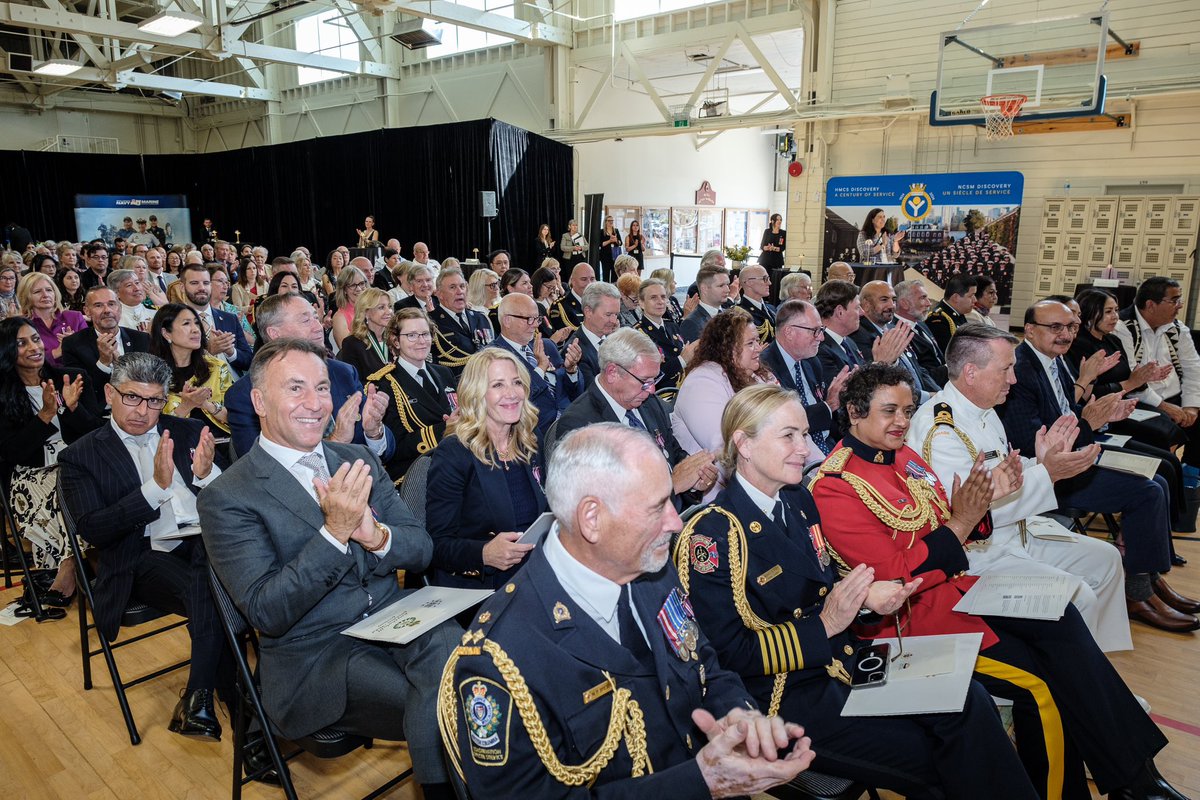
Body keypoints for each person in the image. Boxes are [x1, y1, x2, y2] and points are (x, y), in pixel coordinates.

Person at [811, 363, 1187, 800]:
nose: (902, 421)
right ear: (855, 412)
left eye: (908, 411)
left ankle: (1134, 776)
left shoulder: (904, 457)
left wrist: (986, 502)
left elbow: (950, 519)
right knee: (1039, 686)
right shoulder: (835, 485)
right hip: (904, 627)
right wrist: (963, 519)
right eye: (889, 411)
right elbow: (894, 575)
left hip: (953, 594)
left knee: (1062, 620)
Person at [679, 384, 1040, 798]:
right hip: (784, 695)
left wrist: (866, 600)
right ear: (744, 443)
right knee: (946, 756)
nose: (804, 449)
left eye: (804, 434)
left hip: (846, 659)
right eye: (788, 436)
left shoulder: (796, 501)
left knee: (968, 698)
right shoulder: (713, 534)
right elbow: (724, 655)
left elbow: (822, 588)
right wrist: (826, 625)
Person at [440, 422, 813, 799]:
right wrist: (700, 783)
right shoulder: (498, 658)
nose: (675, 522)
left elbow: (705, 664)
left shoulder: (649, 566)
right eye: (657, 507)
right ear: (592, 519)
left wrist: (740, 719)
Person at [197, 338, 460, 800]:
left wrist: (377, 538)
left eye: (321, 388)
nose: (316, 403)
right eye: (295, 388)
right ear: (259, 401)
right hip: (317, 655)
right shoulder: (229, 496)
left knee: (473, 672)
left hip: (395, 618)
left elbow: (421, 550)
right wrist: (334, 534)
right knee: (456, 702)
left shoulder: (357, 460)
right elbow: (267, 612)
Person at [909, 324, 1132, 652]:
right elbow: (973, 515)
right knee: (1077, 596)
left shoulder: (982, 410)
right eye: (1006, 369)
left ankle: (1098, 666)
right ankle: (1074, 679)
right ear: (970, 372)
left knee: (1107, 558)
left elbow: (1004, 471)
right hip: (979, 555)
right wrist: (1048, 473)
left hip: (1015, 534)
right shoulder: (941, 431)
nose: (1013, 379)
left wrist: (1042, 461)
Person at [59, 352, 232, 741]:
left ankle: (201, 701)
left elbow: (232, 499)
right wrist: (155, 488)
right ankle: (244, 717)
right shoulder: (80, 455)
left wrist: (208, 477)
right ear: (110, 394)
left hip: (205, 543)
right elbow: (95, 529)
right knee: (215, 590)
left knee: (212, 572)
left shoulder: (187, 430)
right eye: (132, 397)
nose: (142, 410)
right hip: (139, 556)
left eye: (154, 400)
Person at [1001, 299, 1199, 632]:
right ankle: (1137, 594)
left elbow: (1065, 411)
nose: (1065, 335)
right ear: (1030, 330)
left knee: (1159, 479)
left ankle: (1150, 579)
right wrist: (1089, 422)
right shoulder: (1020, 370)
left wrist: (1104, 413)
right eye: (1055, 327)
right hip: (1050, 473)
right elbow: (1031, 440)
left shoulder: (1053, 360)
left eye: (1070, 327)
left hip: (1076, 452)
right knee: (1147, 492)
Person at [0, 316, 103, 605]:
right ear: (7, 351)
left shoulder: (70, 377)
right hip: (28, 474)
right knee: (67, 488)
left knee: (82, 482)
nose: (34, 347)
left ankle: (69, 565)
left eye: (35, 339)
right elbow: (12, 453)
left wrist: (71, 408)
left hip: (75, 462)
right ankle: (85, 565)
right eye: (21, 343)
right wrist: (45, 415)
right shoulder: (3, 395)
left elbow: (96, 432)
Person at [425, 348, 547, 590]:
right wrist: (484, 553)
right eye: (498, 385)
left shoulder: (529, 439)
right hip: (484, 584)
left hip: (534, 568)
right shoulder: (454, 453)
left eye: (516, 382)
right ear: (477, 394)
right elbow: (437, 545)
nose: (512, 393)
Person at [226, 294, 394, 462]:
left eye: (316, 317)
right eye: (306, 320)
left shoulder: (343, 373)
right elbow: (260, 466)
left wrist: (373, 432)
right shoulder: (245, 395)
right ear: (275, 333)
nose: (318, 327)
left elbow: (385, 454)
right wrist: (337, 441)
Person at [672, 309, 782, 498]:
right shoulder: (702, 382)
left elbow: (790, 424)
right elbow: (726, 448)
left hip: (766, 475)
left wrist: (815, 471)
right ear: (727, 348)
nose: (759, 348)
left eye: (757, 341)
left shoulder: (760, 376)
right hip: (721, 495)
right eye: (750, 343)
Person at [1070, 288, 1182, 453]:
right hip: (1099, 409)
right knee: (1161, 433)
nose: (1115, 316)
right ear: (1090, 313)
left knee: (1168, 423)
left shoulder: (1113, 340)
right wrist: (1131, 383)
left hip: (1121, 402)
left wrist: (1146, 376)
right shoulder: (1079, 345)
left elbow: (1129, 375)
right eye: (1108, 311)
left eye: (1116, 310)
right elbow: (1089, 393)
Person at [1111, 276, 1200, 474]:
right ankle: (1163, 474)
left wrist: (1191, 406)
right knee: (1163, 430)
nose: (1179, 305)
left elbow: (1193, 367)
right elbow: (1132, 379)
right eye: (1174, 300)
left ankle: (1191, 472)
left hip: (1175, 397)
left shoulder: (1177, 328)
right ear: (1151, 305)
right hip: (1141, 400)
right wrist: (1165, 407)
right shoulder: (1122, 328)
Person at [366, 309, 456, 480]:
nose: (421, 341)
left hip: (455, 463)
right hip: (416, 475)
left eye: (425, 334)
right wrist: (446, 428)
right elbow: (393, 449)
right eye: (412, 335)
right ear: (396, 341)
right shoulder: (385, 384)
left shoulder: (444, 373)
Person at [760, 299, 848, 456]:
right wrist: (829, 405)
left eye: (821, 330)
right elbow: (785, 423)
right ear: (789, 332)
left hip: (829, 447)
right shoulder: (764, 368)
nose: (821, 337)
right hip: (793, 454)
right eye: (815, 331)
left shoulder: (812, 361)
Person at [489, 293, 581, 440]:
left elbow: (575, 392)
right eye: (529, 319)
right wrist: (540, 369)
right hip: (532, 435)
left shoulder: (546, 346)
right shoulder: (493, 357)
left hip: (571, 424)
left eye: (537, 319)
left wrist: (571, 371)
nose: (536, 324)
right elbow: (514, 399)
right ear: (507, 321)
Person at [149, 304, 233, 439]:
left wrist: (206, 405)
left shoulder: (216, 367)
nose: (195, 330)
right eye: (186, 324)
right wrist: (186, 406)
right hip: (175, 445)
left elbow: (235, 417)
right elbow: (151, 428)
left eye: (196, 323)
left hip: (220, 443)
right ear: (166, 333)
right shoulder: (151, 374)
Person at [60, 286, 152, 407]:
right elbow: (81, 392)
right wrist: (103, 363)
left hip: (140, 406)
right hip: (101, 413)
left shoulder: (142, 339)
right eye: (98, 305)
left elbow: (151, 380)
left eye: (111, 304)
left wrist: (122, 366)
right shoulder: (73, 344)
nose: (107, 310)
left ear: (120, 308)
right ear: (87, 311)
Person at [851, 280, 937, 399]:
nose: (892, 305)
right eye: (884, 300)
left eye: (894, 300)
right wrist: (926, 397)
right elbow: (879, 384)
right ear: (866, 304)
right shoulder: (859, 336)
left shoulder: (894, 328)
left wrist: (939, 394)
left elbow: (917, 369)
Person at [178, 263, 254, 375]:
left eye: (206, 283)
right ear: (182, 287)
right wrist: (208, 352)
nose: (202, 288)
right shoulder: (174, 320)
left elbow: (248, 361)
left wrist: (231, 352)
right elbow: (169, 363)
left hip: (234, 383)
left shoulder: (230, 318)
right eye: (194, 283)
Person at [428, 270, 492, 377]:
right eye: (452, 287)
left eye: (462, 286)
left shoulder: (481, 318)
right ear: (440, 294)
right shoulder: (430, 322)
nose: (460, 291)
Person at [18, 272, 88, 367]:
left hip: (78, 373)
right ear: (26, 297)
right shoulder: (20, 325)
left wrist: (76, 345)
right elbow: (20, 361)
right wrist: (56, 352)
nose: (45, 295)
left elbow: (92, 353)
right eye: (37, 292)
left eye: (49, 290)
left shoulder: (75, 317)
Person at [634, 278, 693, 390]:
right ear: (641, 303)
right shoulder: (637, 335)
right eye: (653, 297)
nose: (660, 301)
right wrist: (682, 360)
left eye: (663, 297)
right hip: (660, 394)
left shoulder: (672, 326)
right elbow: (646, 376)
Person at [562, 281, 621, 390]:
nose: (613, 321)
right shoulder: (575, 351)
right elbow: (594, 392)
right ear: (588, 312)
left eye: (616, 314)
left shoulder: (614, 340)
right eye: (608, 314)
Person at [894, 279, 947, 386]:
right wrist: (951, 367)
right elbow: (919, 377)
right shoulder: (896, 333)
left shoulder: (921, 323)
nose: (929, 303)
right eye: (923, 298)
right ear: (905, 303)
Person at [336, 288, 393, 384]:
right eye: (381, 307)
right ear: (366, 312)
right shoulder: (352, 343)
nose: (389, 312)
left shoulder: (396, 339)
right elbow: (354, 382)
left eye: (390, 306)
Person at [925, 273, 976, 353]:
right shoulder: (938, 319)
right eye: (971, 296)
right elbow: (949, 354)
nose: (975, 300)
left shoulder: (958, 314)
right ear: (956, 298)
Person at [680, 265, 731, 343]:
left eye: (727, 284)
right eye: (721, 286)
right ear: (704, 289)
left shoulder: (729, 315)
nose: (727, 290)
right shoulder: (692, 323)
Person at [548, 262, 594, 333]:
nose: (589, 283)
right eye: (584, 279)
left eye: (592, 279)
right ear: (573, 281)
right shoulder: (560, 307)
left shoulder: (600, 303)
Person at [736, 265, 775, 343]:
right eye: (765, 279)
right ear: (749, 282)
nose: (769, 283)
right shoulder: (739, 313)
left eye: (768, 278)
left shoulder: (771, 309)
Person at [597, 215, 621, 281]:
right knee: (606, 274)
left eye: (612, 220)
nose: (611, 222)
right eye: (609, 220)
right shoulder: (601, 232)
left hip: (615, 256)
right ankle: (605, 287)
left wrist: (616, 240)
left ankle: (614, 287)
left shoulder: (616, 231)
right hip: (605, 256)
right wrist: (609, 241)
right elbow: (600, 244)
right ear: (605, 222)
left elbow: (620, 243)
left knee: (615, 275)